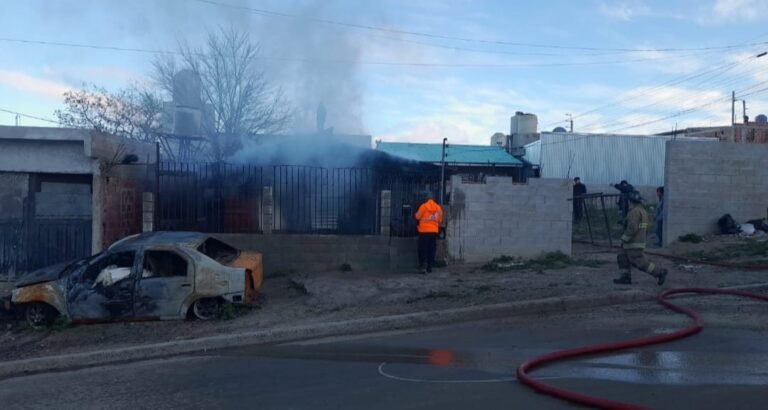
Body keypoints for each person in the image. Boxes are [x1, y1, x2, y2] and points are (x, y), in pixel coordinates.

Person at [614, 190, 668, 286]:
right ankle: (625, 277)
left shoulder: (633, 212)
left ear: (630, 201)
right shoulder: (643, 211)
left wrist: (624, 238)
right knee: (622, 256)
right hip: (638, 241)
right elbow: (644, 227)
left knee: (639, 262)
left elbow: (632, 228)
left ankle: (659, 272)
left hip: (633, 242)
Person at [415, 191, 443, 274]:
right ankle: (429, 267)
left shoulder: (423, 206)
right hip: (433, 232)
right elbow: (440, 220)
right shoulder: (438, 208)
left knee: (422, 249)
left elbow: (417, 217)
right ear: (433, 198)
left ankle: (422, 266)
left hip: (423, 232)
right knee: (431, 250)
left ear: (426, 198)